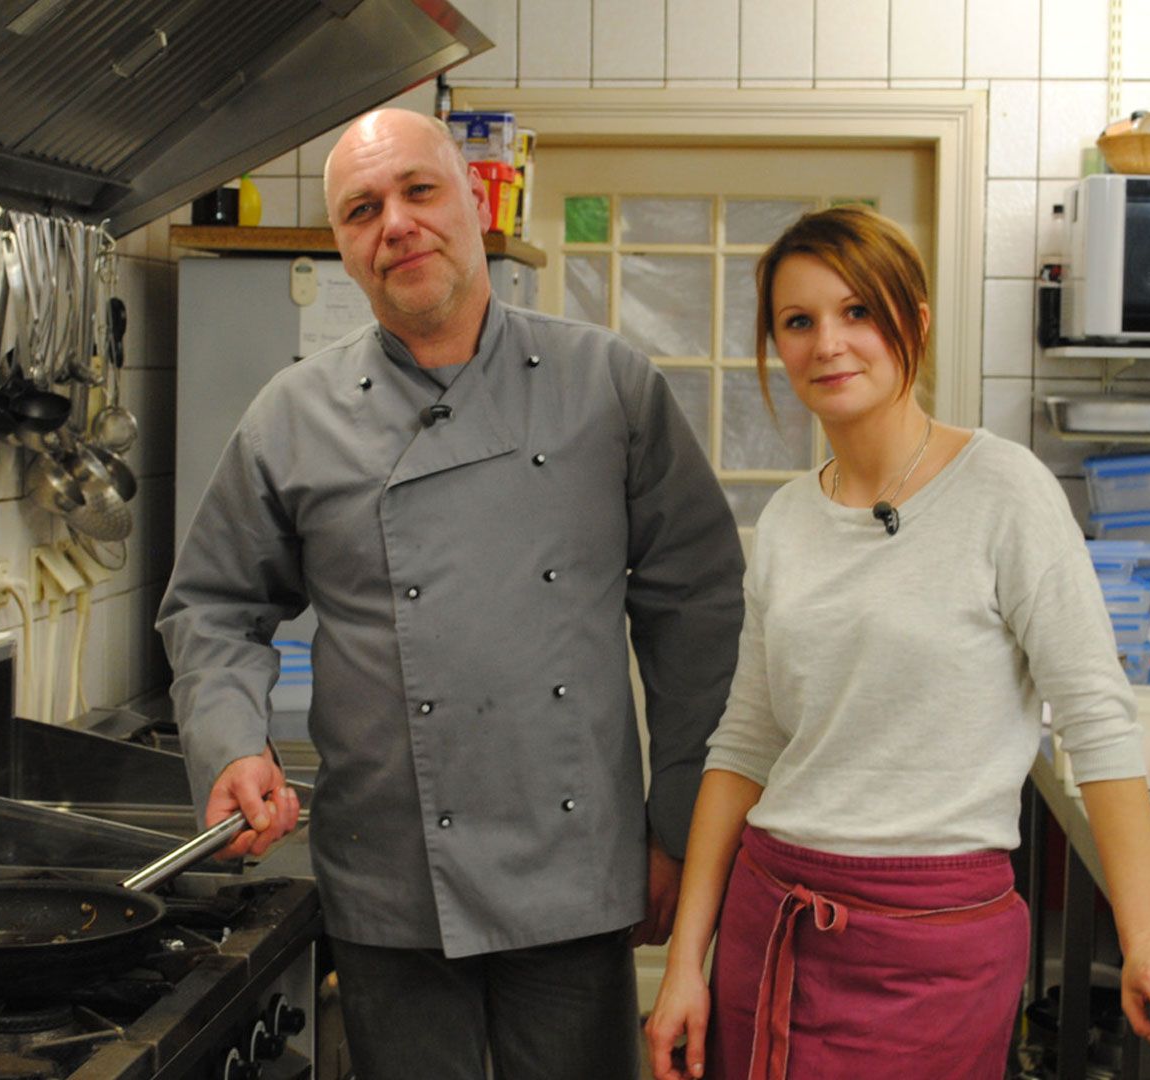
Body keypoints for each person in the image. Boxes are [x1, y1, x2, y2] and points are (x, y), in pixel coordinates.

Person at [157, 107, 745, 1080]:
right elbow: (213, 606)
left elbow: (700, 611)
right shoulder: (292, 416)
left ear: (472, 203)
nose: (396, 224)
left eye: (419, 191)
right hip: (390, 876)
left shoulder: (608, 384)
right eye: (361, 210)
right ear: (343, 246)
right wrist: (231, 741)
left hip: (572, 866)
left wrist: (676, 819)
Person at [642, 206, 1150, 1080]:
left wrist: (1147, 935)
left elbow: (1097, 720)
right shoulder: (791, 519)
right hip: (771, 919)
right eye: (797, 322)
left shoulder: (1005, 491)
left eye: (857, 313)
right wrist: (686, 961)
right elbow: (745, 744)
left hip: (932, 945)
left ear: (912, 322)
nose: (827, 344)